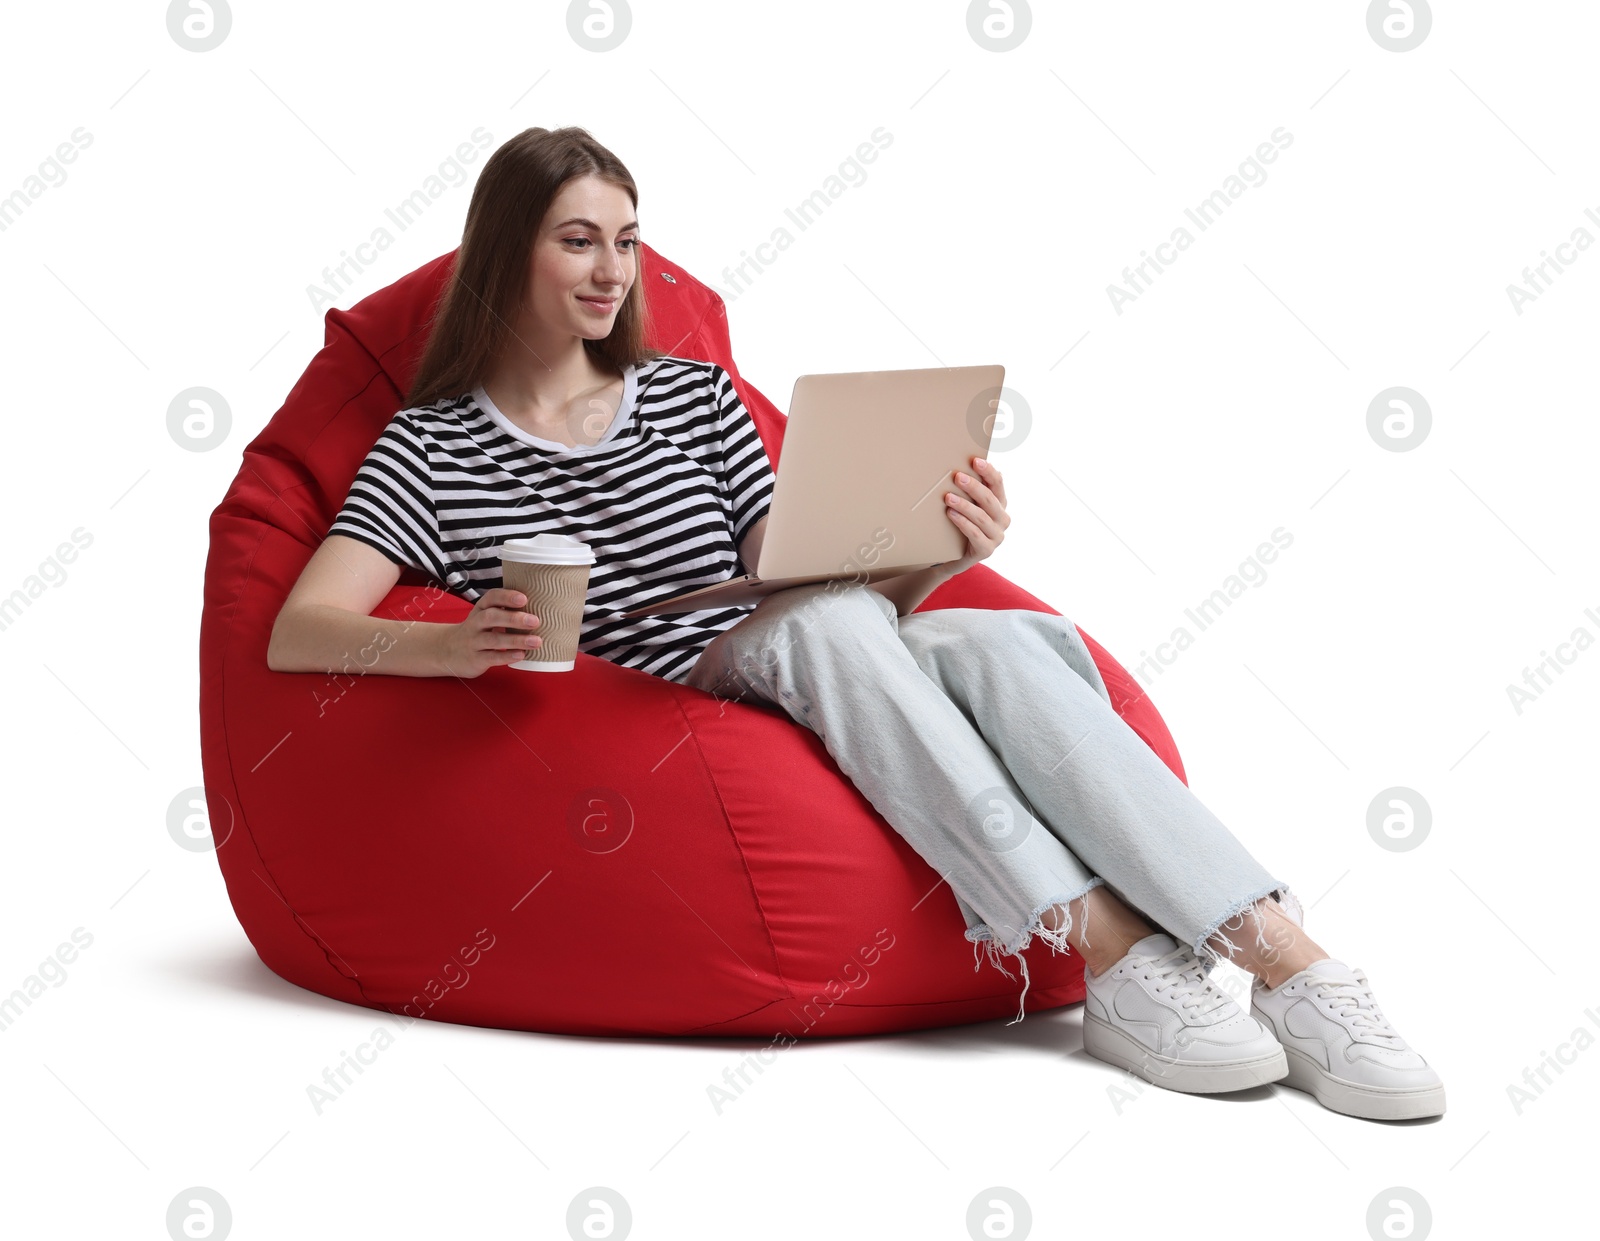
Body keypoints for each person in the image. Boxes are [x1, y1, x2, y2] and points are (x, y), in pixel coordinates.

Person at [267, 126, 1444, 1122]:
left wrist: (943, 553)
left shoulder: (687, 393)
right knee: (822, 629)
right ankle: (1113, 953)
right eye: (577, 239)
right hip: (663, 693)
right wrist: (452, 640)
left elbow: (814, 591)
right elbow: (301, 627)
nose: (612, 269)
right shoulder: (433, 447)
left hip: (787, 648)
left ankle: (1287, 958)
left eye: (626, 240)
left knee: (992, 638)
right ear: (502, 252)